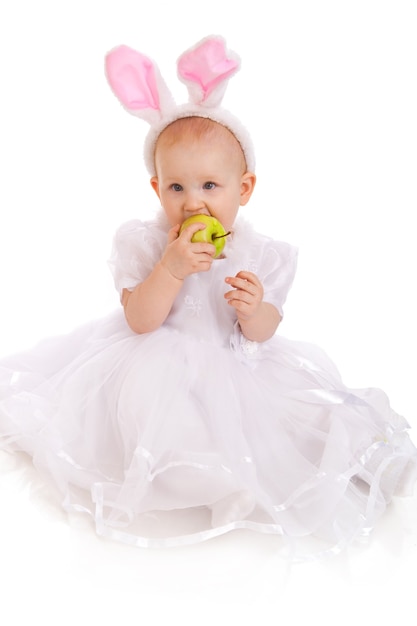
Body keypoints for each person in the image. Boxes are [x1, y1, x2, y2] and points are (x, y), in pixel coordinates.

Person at [0, 36, 416, 558]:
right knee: (171, 427)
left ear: (244, 189)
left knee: (302, 417)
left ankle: (364, 458)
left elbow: (263, 332)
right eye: (177, 188)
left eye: (210, 186)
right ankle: (217, 480)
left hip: (238, 369)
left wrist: (254, 308)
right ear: (157, 189)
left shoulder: (261, 255)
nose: (193, 202)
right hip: (155, 364)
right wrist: (170, 269)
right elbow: (140, 321)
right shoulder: (147, 244)